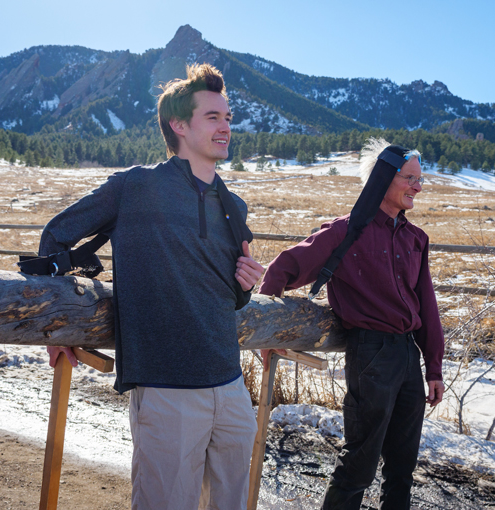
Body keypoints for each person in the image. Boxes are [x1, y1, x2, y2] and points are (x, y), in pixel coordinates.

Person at [38, 64, 264, 510]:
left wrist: (245, 286)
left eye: (228, 118)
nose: (225, 127)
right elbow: (57, 235)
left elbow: (229, 298)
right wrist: (58, 326)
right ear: (179, 125)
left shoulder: (233, 207)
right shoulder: (136, 187)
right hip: (166, 391)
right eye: (213, 117)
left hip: (232, 389)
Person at [258, 137, 444, 510]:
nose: (417, 187)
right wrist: (269, 329)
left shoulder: (415, 238)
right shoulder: (347, 231)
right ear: (383, 178)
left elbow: (426, 306)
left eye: (420, 179)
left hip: (408, 356)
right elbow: (285, 268)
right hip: (370, 353)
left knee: (403, 467)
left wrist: (434, 368)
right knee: (360, 463)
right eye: (409, 178)